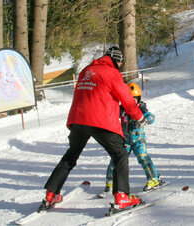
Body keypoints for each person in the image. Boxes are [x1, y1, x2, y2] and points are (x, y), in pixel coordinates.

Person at [39, 46, 146, 212]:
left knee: (70, 156)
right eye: (120, 62)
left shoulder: (86, 71)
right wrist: (139, 116)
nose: (120, 64)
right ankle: (122, 196)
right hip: (99, 121)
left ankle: (51, 194)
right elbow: (126, 98)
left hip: (77, 120)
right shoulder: (112, 72)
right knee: (120, 154)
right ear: (116, 61)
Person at [103, 82, 160, 194]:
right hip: (125, 140)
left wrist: (145, 120)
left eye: (134, 99)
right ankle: (110, 180)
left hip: (138, 140)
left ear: (138, 99)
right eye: (129, 99)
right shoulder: (121, 109)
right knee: (117, 159)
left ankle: (153, 179)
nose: (131, 102)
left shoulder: (141, 108)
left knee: (143, 158)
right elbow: (111, 114)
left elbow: (151, 117)